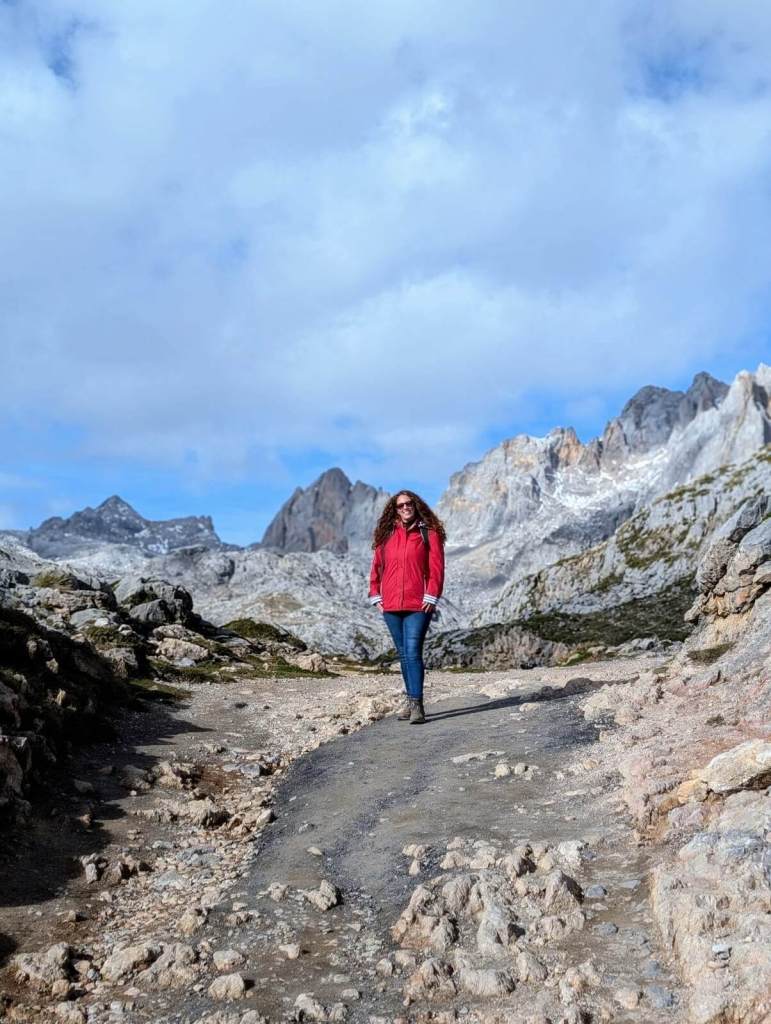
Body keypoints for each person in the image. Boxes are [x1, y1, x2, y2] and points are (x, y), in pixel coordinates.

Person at [368, 490, 446, 724]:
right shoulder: (386, 534)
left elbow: (437, 568)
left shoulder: (428, 533)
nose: (405, 508)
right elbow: (377, 567)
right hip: (391, 604)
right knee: (403, 654)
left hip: (417, 604)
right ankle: (410, 700)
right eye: (400, 505)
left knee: (412, 652)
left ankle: (417, 705)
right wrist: (375, 595)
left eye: (409, 504)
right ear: (394, 508)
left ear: (416, 505)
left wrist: (431, 595)